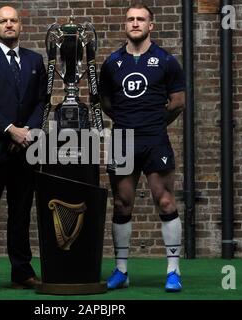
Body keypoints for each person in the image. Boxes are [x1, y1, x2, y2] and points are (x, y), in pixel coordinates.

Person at [99, 4, 186, 292]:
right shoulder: (112, 63)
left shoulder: (166, 61)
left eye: (141, 19)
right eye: (130, 19)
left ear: (151, 25)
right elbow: (106, 103)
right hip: (123, 140)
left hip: (154, 140)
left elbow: (178, 102)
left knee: (165, 201)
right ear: (125, 25)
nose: (135, 23)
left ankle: (173, 271)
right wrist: (128, 121)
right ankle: (121, 270)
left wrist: (152, 123)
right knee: (122, 203)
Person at [0, 5, 47, 294]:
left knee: (21, 213)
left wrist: (27, 131)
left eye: (13, 20)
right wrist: (10, 130)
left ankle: (21, 271)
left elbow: (42, 102)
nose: (9, 25)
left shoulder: (35, 60)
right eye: (3, 21)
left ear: (20, 25)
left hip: (25, 150)